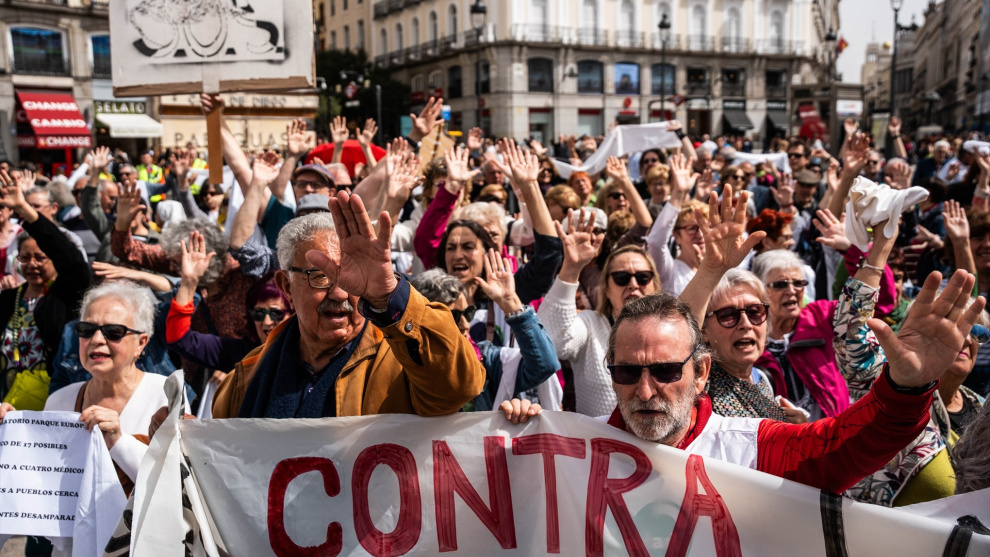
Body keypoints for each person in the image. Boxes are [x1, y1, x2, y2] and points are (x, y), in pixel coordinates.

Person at [209, 193, 485, 419]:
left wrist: (389, 294)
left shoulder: (404, 361)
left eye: (353, 279)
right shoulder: (246, 378)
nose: (340, 293)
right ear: (286, 286)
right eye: (320, 277)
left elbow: (461, 388)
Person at [538, 210, 660, 416]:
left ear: (654, 284)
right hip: (599, 444)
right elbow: (552, 342)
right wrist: (571, 268)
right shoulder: (590, 324)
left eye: (642, 277)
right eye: (621, 277)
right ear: (606, 288)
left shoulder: (671, 328)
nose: (633, 285)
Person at [410, 261, 560, 411]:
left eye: (468, 313)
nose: (465, 325)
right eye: (453, 316)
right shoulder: (400, 366)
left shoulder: (486, 359)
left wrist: (511, 303)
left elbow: (544, 365)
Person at [0, 169, 91, 410]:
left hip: (54, 402)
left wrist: (24, 208)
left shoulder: (65, 296)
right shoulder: (8, 299)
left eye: (40, 258)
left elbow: (69, 258)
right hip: (7, 405)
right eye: (25, 258)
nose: (31, 264)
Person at [166, 231, 293, 377]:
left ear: (293, 313)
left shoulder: (310, 354)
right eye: (258, 314)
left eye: (276, 313)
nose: (266, 322)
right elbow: (179, 339)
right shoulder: (243, 354)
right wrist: (189, 282)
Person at [701, 269, 807, 423]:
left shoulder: (763, 377)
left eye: (754, 312)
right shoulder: (698, 386)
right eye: (728, 315)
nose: (746, 324)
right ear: (704, 330)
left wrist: (798, 432)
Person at [647, 153, 709, 296]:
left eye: (705, 228)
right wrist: (678, 193)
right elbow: (656, 242)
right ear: (676, 236)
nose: (700, 234)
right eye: (692, 229)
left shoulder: (718, 269)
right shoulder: (669, 271)